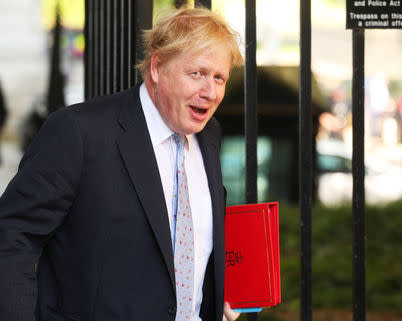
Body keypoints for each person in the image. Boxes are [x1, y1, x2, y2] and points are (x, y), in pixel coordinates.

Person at [0, 7, 243, 321]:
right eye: (197, 73)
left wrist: (217, 293)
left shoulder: (209, 134)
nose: (210, 92)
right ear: (157, 67)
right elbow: (11, 238)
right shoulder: (78, 132)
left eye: (219, 77)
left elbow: (195, 245)